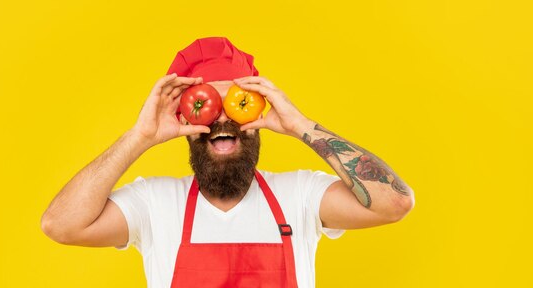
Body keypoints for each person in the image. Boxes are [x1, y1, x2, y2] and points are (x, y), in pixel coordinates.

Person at [41, 37, 415, 287]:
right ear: (186, 122)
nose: (222, 119)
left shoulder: (299, 195)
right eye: (207, 105)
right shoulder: (155, 204)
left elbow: (394, 203)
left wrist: (301, 126)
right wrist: (138, 137)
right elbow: (60, 224)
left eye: (236, 104)